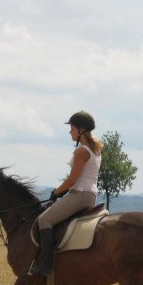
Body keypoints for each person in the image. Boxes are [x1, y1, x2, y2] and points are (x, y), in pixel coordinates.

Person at [28, 110, 104, 276]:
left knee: (44, 219)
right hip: (89, 195)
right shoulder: (95, 149)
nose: (70, 131)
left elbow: (72, 180)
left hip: (80, 195)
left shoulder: (81, 151)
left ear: (81, 129)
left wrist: (57, 191)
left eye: (72, 128)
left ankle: (46, 264)